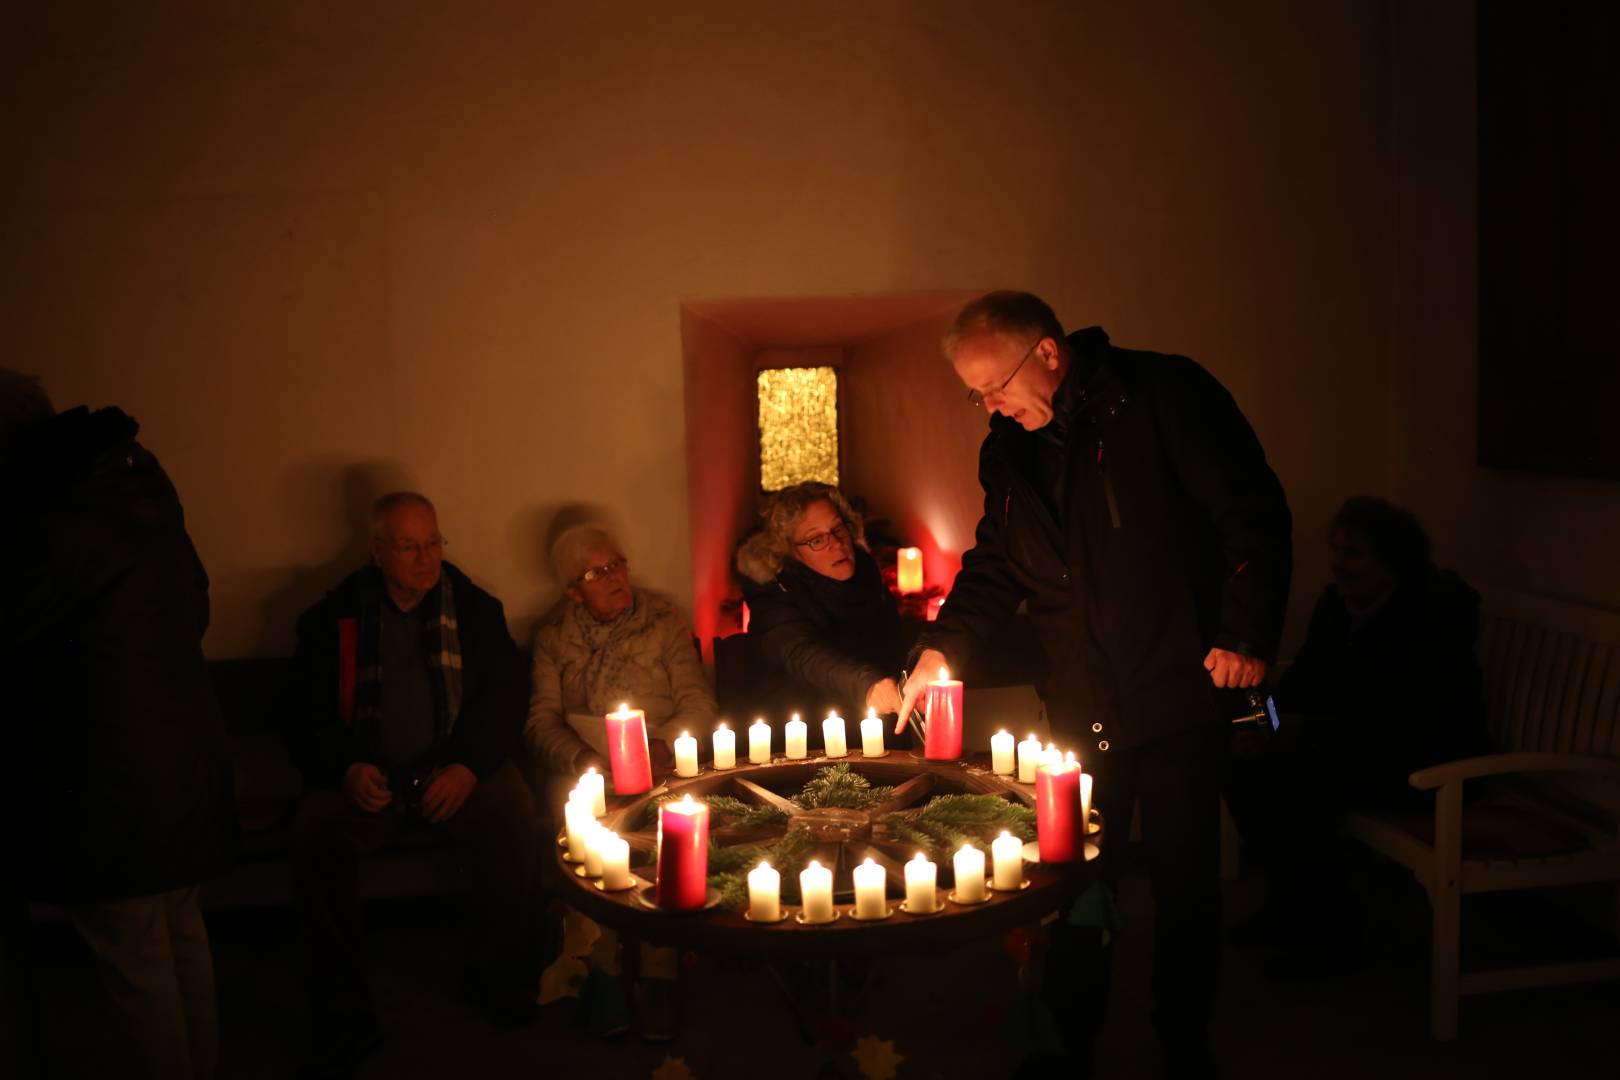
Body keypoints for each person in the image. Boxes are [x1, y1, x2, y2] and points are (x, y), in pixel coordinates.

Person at [896, 292, 1293, 1077]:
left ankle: (1184, 1041)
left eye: (995, 385)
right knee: (1073, 874)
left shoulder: (1162, 397)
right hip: (1081, 700)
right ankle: (1069, 1039)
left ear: (1048, 351)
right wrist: (944, 650)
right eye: (975, 394)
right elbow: (996, 559)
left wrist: (1243, 634)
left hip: (1176, 690)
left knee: (1184, 882)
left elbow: (1251, 515)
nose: (990, 406)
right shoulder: (1006, 449)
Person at [0, 370, 235, 1080]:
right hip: (180, 754)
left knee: (137, 963)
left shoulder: (41, 511)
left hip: (101, 776)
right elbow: (194, 605)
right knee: (179, 932)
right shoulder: (136, 480)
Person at [287, 491, 537, 1069]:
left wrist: (469, 765)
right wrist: (344, 767)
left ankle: (500, 982)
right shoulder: (336, 618)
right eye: (409, 547)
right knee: (315, 836)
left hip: (450, 766)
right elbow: (302, 713)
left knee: (513, 814)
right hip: (364, 772)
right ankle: (342, 1012)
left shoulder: (473, 611)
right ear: (378, 551)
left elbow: (502, 697)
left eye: (433, 543)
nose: (426, 559)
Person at [1224, 496, 1486, 969]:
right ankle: (1290, 907)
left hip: (1424, 762)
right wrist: (1268, 728)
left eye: (1353, 553)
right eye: (1337, 550)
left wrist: (1299, 735)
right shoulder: (1338, 609)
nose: (1338, 564)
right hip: (1351, 745)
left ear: (1391, 562)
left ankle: (1327, 927)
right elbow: (1303, 685)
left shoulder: (1424, 621)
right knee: (1243, 763)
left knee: (1302, 777)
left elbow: (1401, 717)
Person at [525, 522, 715, 1040]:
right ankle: (602, 968)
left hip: (662, 759)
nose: (615, 578)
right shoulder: (553, 640)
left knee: (663, 833)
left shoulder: (662, 620)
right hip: (585, 765)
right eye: (597, 572)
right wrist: (586, 757)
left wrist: (661, 746)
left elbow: (698, 702)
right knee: (592, 842)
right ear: (572, 590)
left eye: (618, 564)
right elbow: (541, 723)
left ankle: (659, 971)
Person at [735, 481, 907, 723]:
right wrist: (867, 685)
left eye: (838, 529)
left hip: (869, 728)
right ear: (790, 552)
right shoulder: (774, 594)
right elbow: (803, 654)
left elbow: (895, 647)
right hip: (799, 737)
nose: (836, 544)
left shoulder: (867, 575)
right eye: (816, 540)